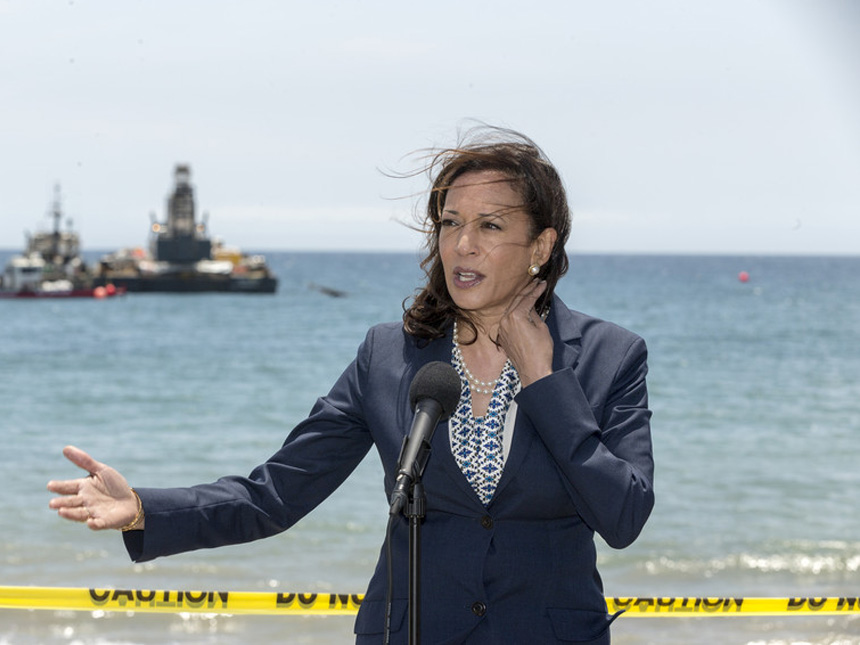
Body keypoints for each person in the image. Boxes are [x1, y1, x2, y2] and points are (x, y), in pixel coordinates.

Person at [48, 127, 655, 644]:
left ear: (541, 247)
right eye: (449, 222)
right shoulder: (388, 355)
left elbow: (624, 516)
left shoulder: (610, 357)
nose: (462, 244)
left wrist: (545, 380)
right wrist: (143, 510)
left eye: (490, 225)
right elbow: (276, 493)